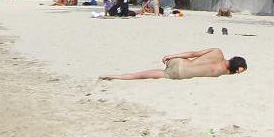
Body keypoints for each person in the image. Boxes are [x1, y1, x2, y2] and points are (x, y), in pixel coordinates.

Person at [100, 47, 247, 81]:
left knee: (140, 74)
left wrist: (172, 56)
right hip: (177, 74)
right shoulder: (221, 72)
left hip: (179, 62)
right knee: (140, 76)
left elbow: (193, 53)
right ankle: (115, 77)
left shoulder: (217, 52)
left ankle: (112, 75)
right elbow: (232, 71)